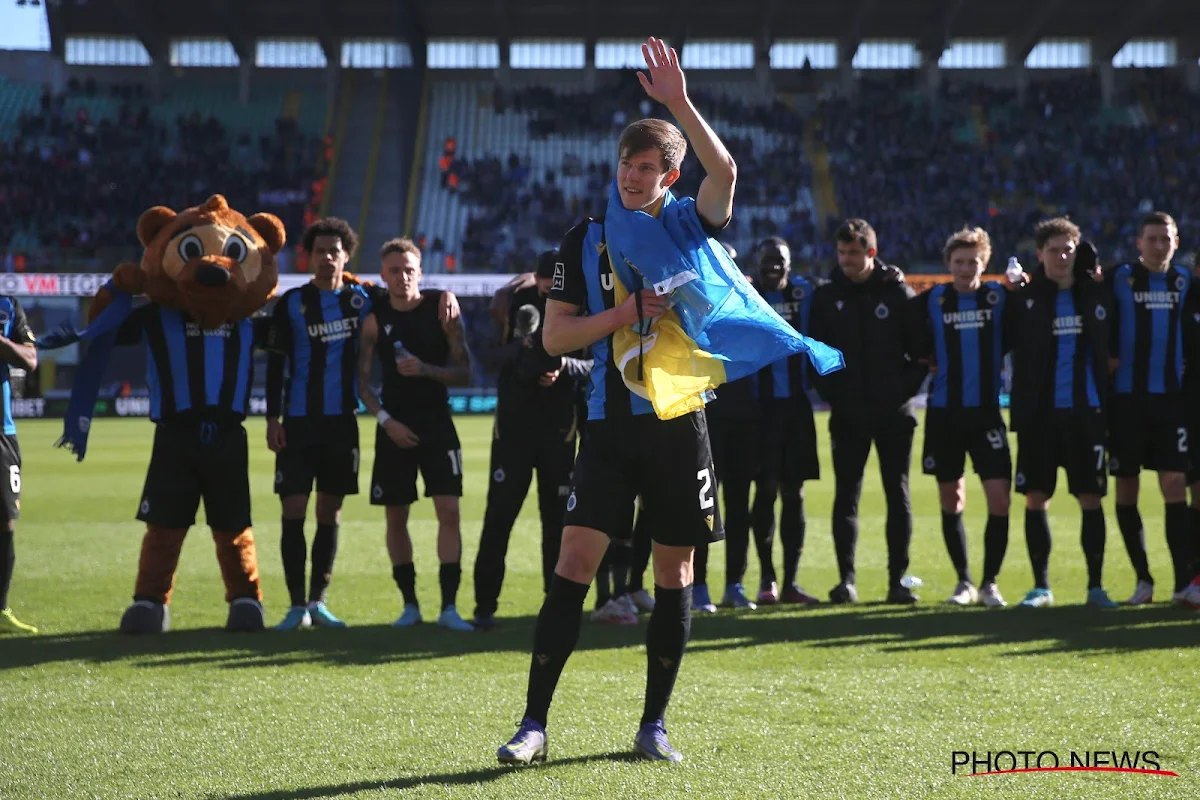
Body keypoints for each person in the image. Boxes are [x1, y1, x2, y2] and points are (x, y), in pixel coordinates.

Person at [497, 36, 735, 765]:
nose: (633, 178)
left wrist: (678, 103)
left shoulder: (689, 227)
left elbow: (724, 170)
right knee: (573, 564)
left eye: (647, 168)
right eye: (625, 166)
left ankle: (653, 726)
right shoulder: (585, 237)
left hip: (678, 421)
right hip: (605, 424)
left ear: (669, 176)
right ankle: (533, 725)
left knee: (674, 575)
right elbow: (556, 338)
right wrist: (627, 313)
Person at [356, 237, 474, 631]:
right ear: (383, 275)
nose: (403, 276)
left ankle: (449, 607)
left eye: (409, 269)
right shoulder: (374, 321)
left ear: (420, 272)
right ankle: (409, 606)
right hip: (395, 428)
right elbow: (362, 385)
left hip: (437, 424)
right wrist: (387, 421)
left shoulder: (444, 312)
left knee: (450, 512)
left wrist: (426, 370)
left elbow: (465, 372)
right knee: (396, 515)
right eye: (394, 270)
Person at [808, 218, 927, 604]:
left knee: (899, 495)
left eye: (853, 253)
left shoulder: (898, 294)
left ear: (871, 253)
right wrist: (836, 397)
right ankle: (846, 581)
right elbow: (816, 354)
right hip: (848, 416)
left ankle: (898, 582)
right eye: (841, 253)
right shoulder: (826, 297)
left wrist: (898, 394)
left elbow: (921, 355)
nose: (846, 260)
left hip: (895, 414)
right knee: (846, 497)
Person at [472, 250, 592, 630]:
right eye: (543, 281)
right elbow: (489, 356)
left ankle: (554, 608)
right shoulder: (512, 304)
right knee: (498, 520)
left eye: (554, 282)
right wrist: (524, 350)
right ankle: (484, 608)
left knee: (557, 524)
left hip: (559, 432)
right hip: (513, 431)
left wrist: (563, 366)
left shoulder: (581, 306)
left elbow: (595, 363)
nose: (547, 289)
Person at [265, 218, 375, 631]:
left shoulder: (362, 300)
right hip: (297, 423)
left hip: (341, 424)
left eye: (335, 251)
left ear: (346, 256)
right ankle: (295, 606)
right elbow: (275, 365)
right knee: (293, 510)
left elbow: (406, 296)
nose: (327, 257)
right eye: (320, 250)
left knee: (330, 512)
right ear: (309, 256)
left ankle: (317, 602)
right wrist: (272, 417)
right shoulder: (291, 304)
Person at [1007, 219, 1118, 608]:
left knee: (1091, 496)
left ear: (1077, 250)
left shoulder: (1098, 294)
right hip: (1039, 416)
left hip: (1086, 414)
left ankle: (1095, 587)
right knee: (1036, 497)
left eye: (1068, 249)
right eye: (1053, 250)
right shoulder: (1024, 299)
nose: (1062, 256)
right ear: (1039, 254)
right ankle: (1041, 587)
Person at [912, 227, 1011, 607]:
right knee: (951, 499)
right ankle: (964, 583)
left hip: (987, 413)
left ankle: (990, 583)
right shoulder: (934, 300)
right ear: (948, 265)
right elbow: (905, 330)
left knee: (999, 500)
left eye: (973, 261)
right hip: (944, 414)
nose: (966, 268)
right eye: (959, 262)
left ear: (985, 264)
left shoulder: (999, 297)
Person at [1106, 211, 1196, 605]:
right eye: (1152, 238)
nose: (1159, 245)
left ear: (1177, 242)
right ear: (1138, 243)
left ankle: (1182, 584)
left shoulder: (1187, 282)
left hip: (1170, 403)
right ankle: (1143, 581)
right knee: (1126, 487)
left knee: (1174, 485)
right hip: (1125, 403)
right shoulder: (1117, 279)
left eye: (1166, 238)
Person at [750, 236, 822, 607]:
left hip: (796, 408)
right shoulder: (743, 293)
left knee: (794, 492)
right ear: (756, 263)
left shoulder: (806, 294)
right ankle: (767, 580)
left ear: (790, 264)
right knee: (764, 491)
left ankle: (791, 581)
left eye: (780, 261)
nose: (774, 267)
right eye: (768, 261)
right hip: (758, 411)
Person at [0, 296, 37, 633]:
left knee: (4, 523)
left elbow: (30, 359)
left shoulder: (8, 306)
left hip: (2, 434)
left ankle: (0, 609)